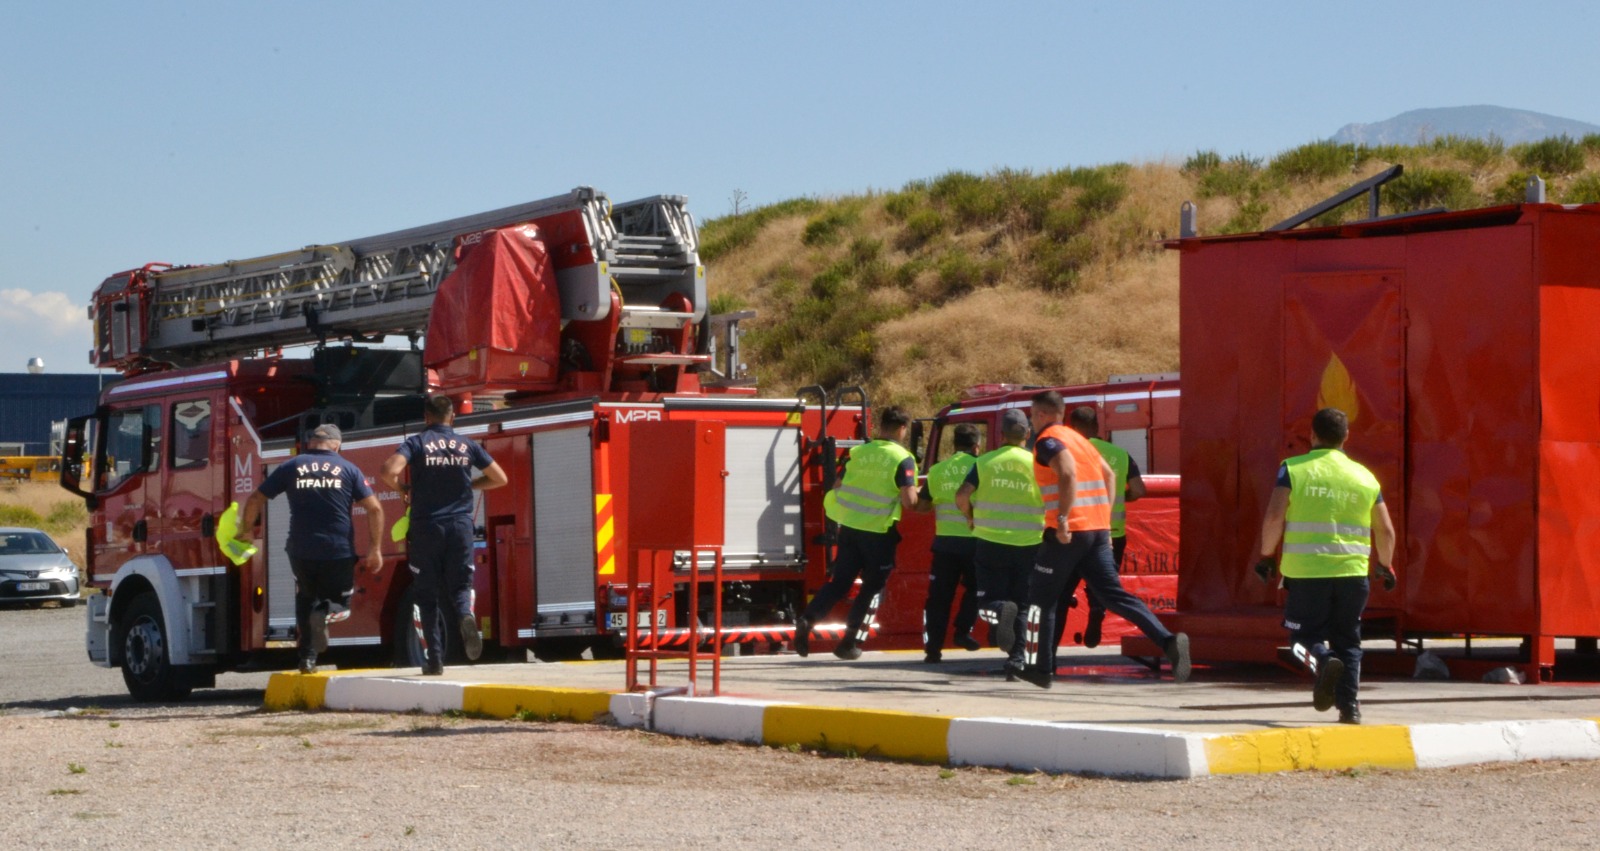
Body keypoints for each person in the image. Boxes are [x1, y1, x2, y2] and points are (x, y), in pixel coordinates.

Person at [1018, 391, 1189, 689]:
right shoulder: (1081, 441)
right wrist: (1105, 523)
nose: (1031, 422)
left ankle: (1040, 669)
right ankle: (1169, 642)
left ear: (1043, 415)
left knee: (1040, 601)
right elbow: (1110, 477)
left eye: (1033, 416)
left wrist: (1062, 519)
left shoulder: (1047, 441)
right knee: (1114, 596)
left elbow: (1067, 474)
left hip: (1067, 533)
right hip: (1097, 532)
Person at [1255, 407, 1396, 724]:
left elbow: (1275, 516)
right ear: (1346, 437)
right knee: (1349, 640)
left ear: (1313, 435)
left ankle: (1321, 660)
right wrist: (1385, 565)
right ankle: (1350, 708)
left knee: (1299, 641)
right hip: (1353, 574)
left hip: (1307, 573)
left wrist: (1266, 556)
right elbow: (1386, 530)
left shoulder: (1293, 468)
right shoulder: (1365, 477)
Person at [240, 423, 384, 674]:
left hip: (301, 549)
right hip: (337, 549)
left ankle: (307, 659)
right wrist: (375, 549)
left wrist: (246, 531)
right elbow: (375, 508)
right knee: (342, 602)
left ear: (310, 443)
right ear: (336, 445)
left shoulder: (292, 466)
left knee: (306, 598)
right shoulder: (348, 468)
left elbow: (255, 498)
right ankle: (327, 614)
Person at [380, 396, 508, 675]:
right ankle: (464, 615)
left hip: (427, 528)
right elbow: (500, 478)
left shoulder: (417, 442)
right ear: (453, 418)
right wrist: (471, 484)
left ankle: (435, 660)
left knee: (426, 595)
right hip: (460, 525)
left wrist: (402, 487)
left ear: (427, 417)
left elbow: (388, 471)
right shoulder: (468, 444)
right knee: (460, 587)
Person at [794, 406, 918, 661]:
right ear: (902, 429)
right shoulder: (902, 458)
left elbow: (838, 485)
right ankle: (848, 642)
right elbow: (909, 501)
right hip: (878, 533)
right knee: (871, 587)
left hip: (849, 528)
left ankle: (808, 618)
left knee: (839, 582)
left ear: (881, 426)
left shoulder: (857, 452)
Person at [954, 408, 1043, 679]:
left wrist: (970, 516)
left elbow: (962, 495)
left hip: (990, 540)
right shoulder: (1037, 463)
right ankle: (1016, 660)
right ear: (1027, 434)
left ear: (1001, 434)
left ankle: (1000, 610)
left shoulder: (984, 462)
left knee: (988, 601)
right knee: (1024, 604)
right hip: (1030, 543)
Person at [1051, 405, 1147, 652]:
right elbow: (1138, 489)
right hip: (1111, 535)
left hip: (1073, 533)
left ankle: (1048, 655)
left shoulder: (1065, 452)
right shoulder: (1120, 454)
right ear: (1097, 427)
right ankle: (1097, 611)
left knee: (1061, 593)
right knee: (1105, 588)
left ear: (1072, 428)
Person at [915, 423, 983, 663]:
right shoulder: (981, 467)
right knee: (977, 589)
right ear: (977, 446)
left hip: (944, 545)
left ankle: (932, 650)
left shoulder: (937, 470)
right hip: (975, 542)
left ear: (954, 445)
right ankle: (963, 631)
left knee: (939, 599)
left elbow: (922, 506)